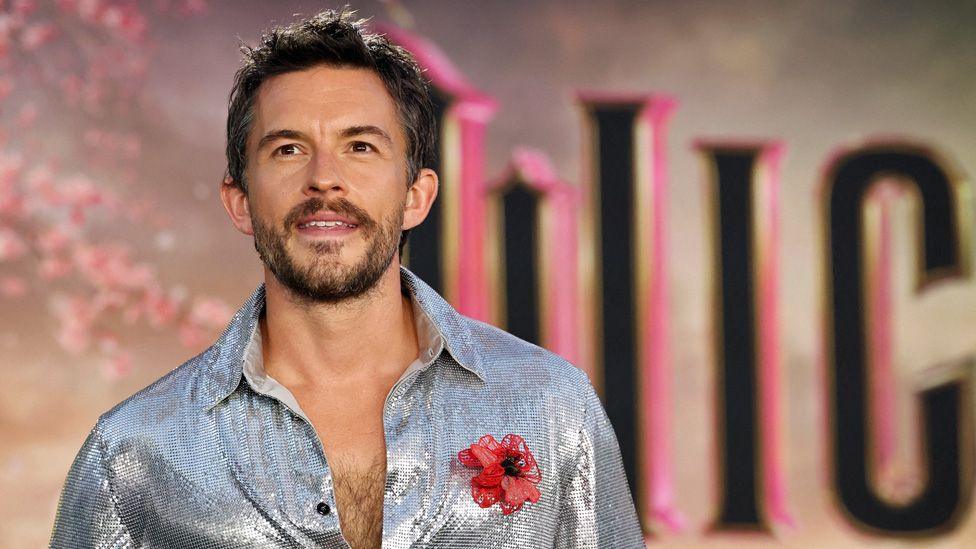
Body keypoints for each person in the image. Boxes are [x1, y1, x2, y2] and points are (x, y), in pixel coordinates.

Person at [50, 8, 643, 548]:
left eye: (360, 146)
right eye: (287, 149)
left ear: (416, 196)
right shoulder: (133, 454)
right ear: (239, 202)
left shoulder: (550, 406)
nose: (324, 180)